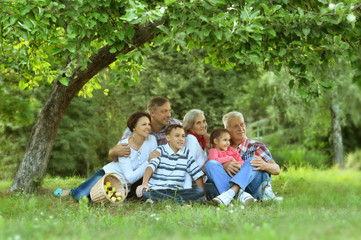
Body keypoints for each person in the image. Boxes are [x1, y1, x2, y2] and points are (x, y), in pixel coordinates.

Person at [54, 111, 158, 201]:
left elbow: (154, 161)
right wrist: (148, 161)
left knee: (93, 200)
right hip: (107, 175)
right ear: (134, 127)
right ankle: (71, 192)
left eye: (149, 124)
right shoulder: (124, 146)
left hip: (123, 187)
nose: (148, 127)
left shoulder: (152, 140)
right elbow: (130, 178)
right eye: (144, 124)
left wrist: (150, 162)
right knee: (80, 196)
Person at [205, 111, 282, 206]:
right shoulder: (221, 147)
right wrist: (224, 165)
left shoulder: (257, 146)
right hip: (229, 185)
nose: (240, 128)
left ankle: (232, 193)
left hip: (252, 188)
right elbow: (208, 168)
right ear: (227, 130)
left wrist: (264, 165)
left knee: (250, 161)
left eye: (242, 124)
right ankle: (238, 196)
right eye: (235, 126)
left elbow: (276, 169)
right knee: (210, 164)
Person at [136, 124, 206, 204]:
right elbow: (150, 167)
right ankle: (180, 202)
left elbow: (197, 175)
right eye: (177, 136)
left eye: (183, 136)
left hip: (176, 191)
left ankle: (159, 200)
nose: (181, 139)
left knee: (199, 191)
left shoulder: (186, 153)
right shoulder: (160, 150)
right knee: (144, 191)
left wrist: (204, 196)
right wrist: (144, 184)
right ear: (168, 138)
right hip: (157, 189)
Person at [108, 96, 182, 161]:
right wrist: (114, 152)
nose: (169, 115)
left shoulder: (175, 125)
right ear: (152, 113)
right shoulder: (138, 127)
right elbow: (117, 151)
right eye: (164, 111)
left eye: (169, 111)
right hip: (140, 168)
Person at [182, 109, 219, 199]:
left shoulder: (201, 140)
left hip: (203, 183)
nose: (203, 125)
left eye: (204, 121)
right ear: (190, 127)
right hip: (192, 187)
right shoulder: (191, 140)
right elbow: (187, 170)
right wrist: (207, 164)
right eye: (198, 123)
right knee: (225, 189)